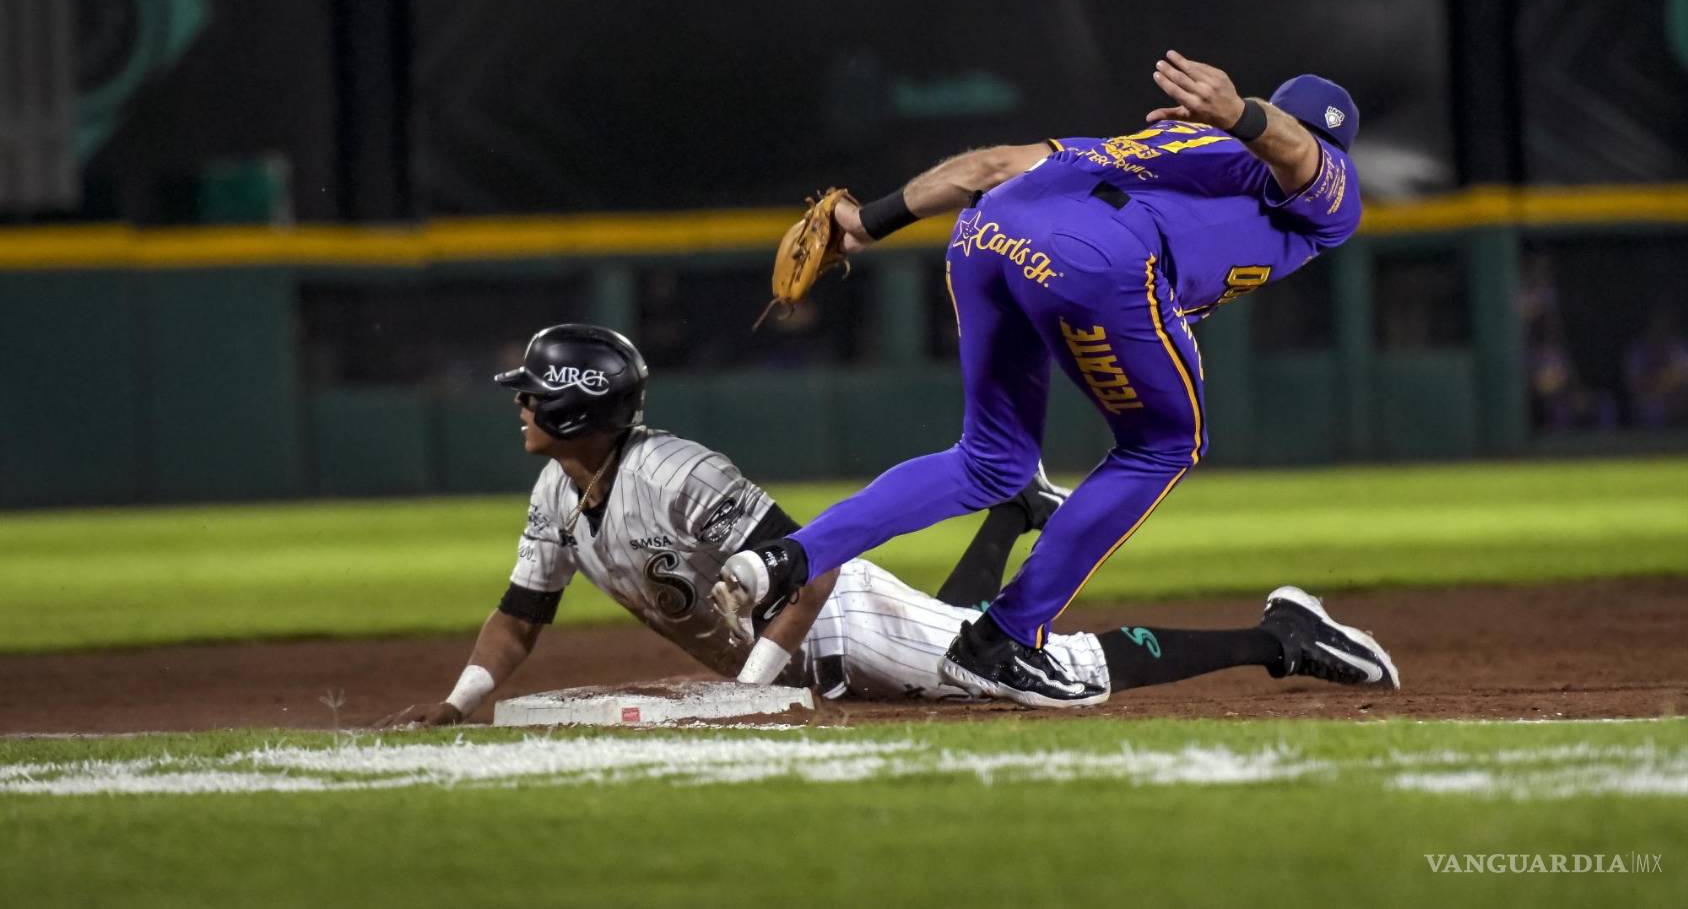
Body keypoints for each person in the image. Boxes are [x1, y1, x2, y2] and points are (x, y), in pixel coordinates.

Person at [714, 52, 1378, 707]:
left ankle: (784, 560)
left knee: (991, 461)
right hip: (1097, 259)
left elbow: (988, 167)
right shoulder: (1321, 183)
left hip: (986, 232)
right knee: (1166, 443)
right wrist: (1239, 115)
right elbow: (1301, 155)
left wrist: (866, 221)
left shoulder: (1163, 141)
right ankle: (1005, 639)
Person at [377, 322, 1396, 726]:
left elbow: (805, 570)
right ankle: (1007, 520)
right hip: (805, 649)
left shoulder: (676, 476)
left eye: (531, 393)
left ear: (571, 408)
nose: (517, 405)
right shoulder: (557, 493)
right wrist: (463, 702)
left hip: (835, 619)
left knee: (1052, 682)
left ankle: (1281, 637)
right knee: (956, 659)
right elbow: (519, 616)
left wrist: (747, 697)